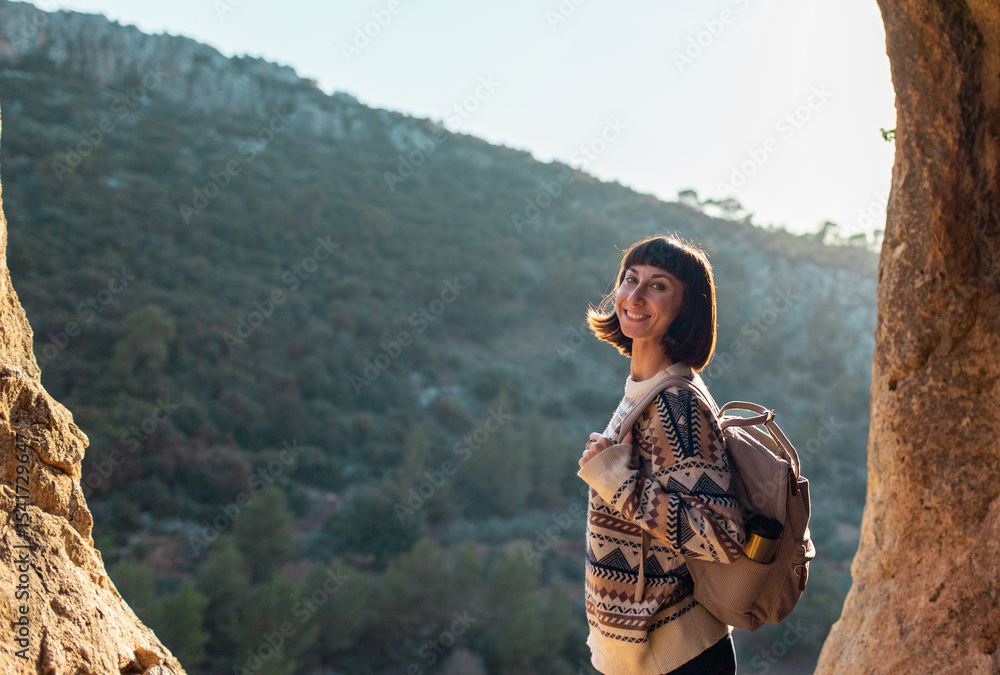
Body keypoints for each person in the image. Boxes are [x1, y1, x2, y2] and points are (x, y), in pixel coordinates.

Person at [577, 235, 745, 675]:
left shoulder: (677, 404)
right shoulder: (643, 391)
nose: (634, 295)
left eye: (658, 285)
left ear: (685, 308)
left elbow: (720, 534)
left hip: (678, 658)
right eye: (630, 279)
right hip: (643, 658)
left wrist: (617, 481)